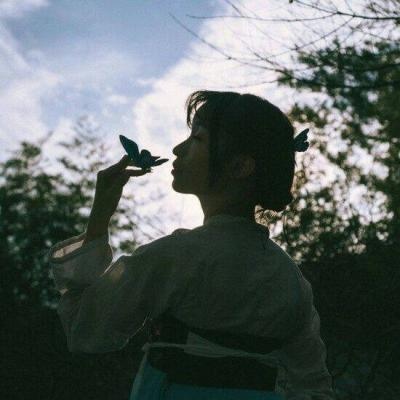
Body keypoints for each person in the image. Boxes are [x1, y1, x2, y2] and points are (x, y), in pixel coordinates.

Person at [48, 90, 336, 399]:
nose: (177, 149)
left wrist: (99, 218)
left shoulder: (172, 257)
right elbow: (314, 385)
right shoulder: (290, 281)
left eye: (197, 138)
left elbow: (85, 330)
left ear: (240, 167)